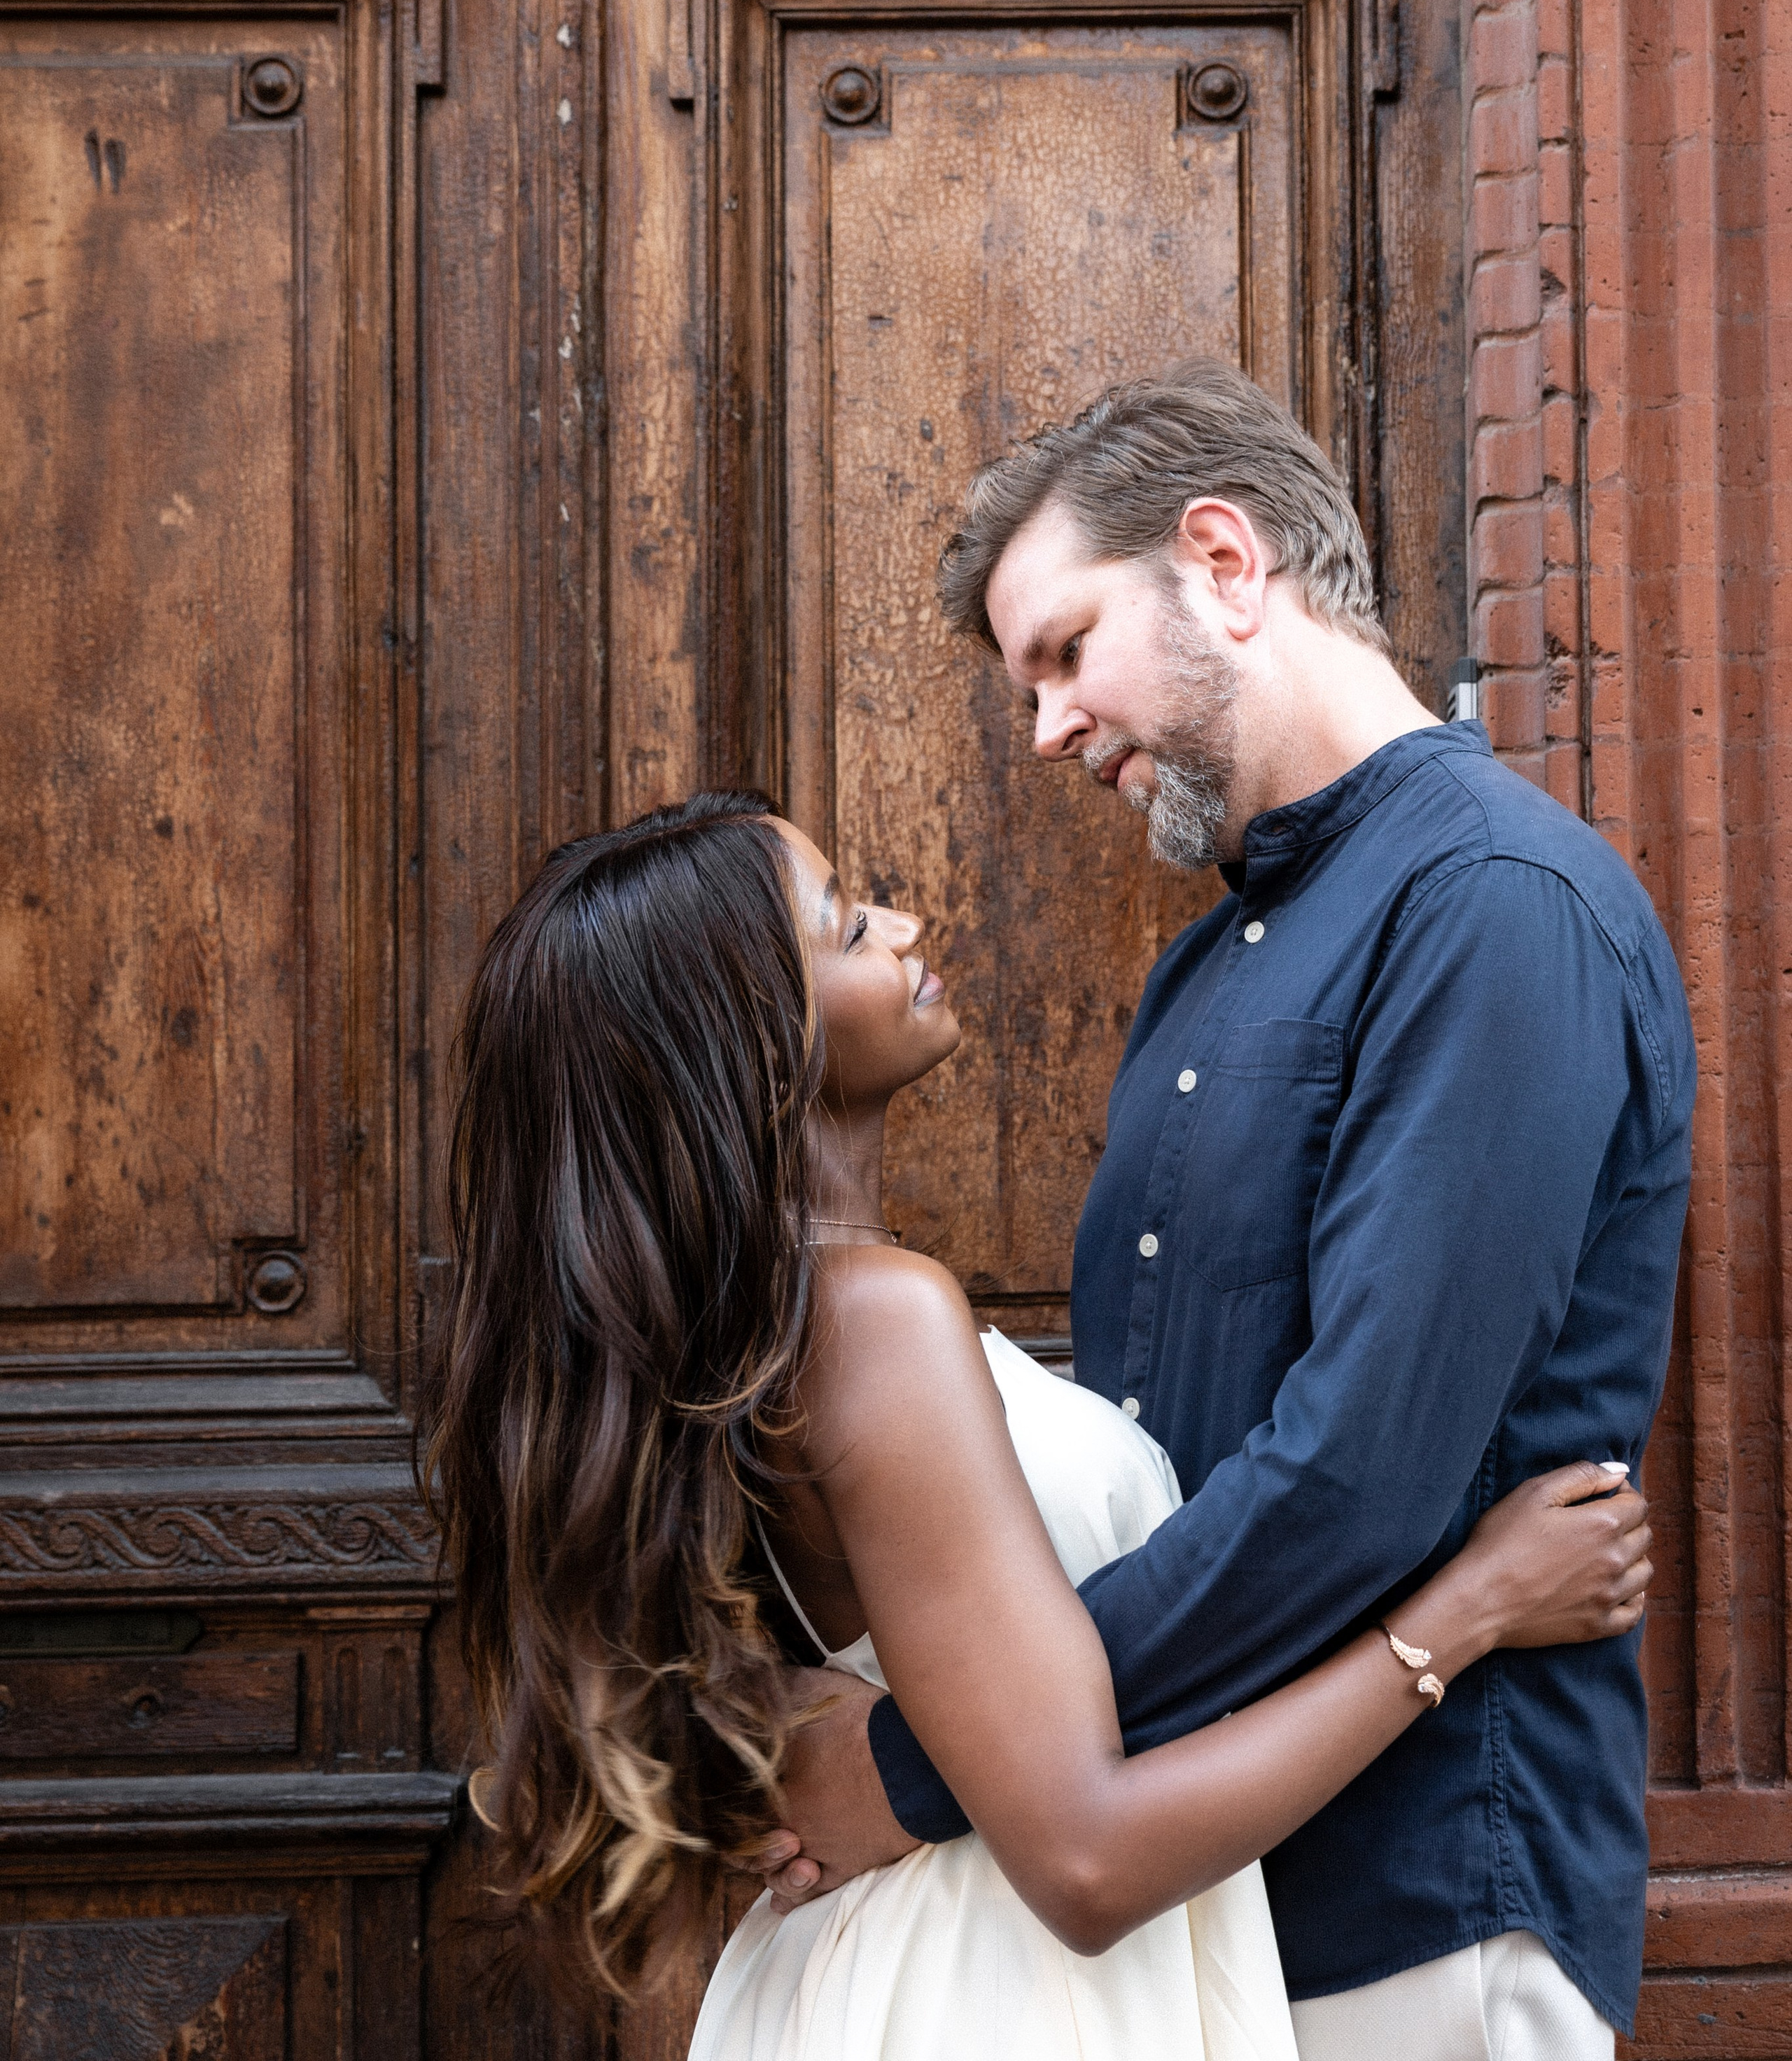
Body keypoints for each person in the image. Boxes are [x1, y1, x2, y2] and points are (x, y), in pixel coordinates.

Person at [751, 361, 1695, 2061]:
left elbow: (1357, 1477)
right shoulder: (1206, 963)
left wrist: (928, 1763)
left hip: (1414, 1896)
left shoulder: (1492, 904)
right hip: (1195, 1905)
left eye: (1062, 652)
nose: (1042, 728)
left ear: (1225, 561)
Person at [420, 788, 1653, 2060]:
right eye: (845, 930)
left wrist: (890, 1761)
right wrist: (1470, 1612)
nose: (902, 927)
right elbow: (1087, 1858)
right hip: (997, 1988)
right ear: (745, 1041)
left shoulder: (778, 1331)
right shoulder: (873, 1324)